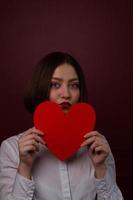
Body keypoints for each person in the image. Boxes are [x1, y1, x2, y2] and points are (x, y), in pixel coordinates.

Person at [0, 52, 124, 200]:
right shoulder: (11, 148)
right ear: (40, 87)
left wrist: (100, 168)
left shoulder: (98, 147)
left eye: (74, 85)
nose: (66, 94)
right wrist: (25, 166)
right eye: (55, 84)